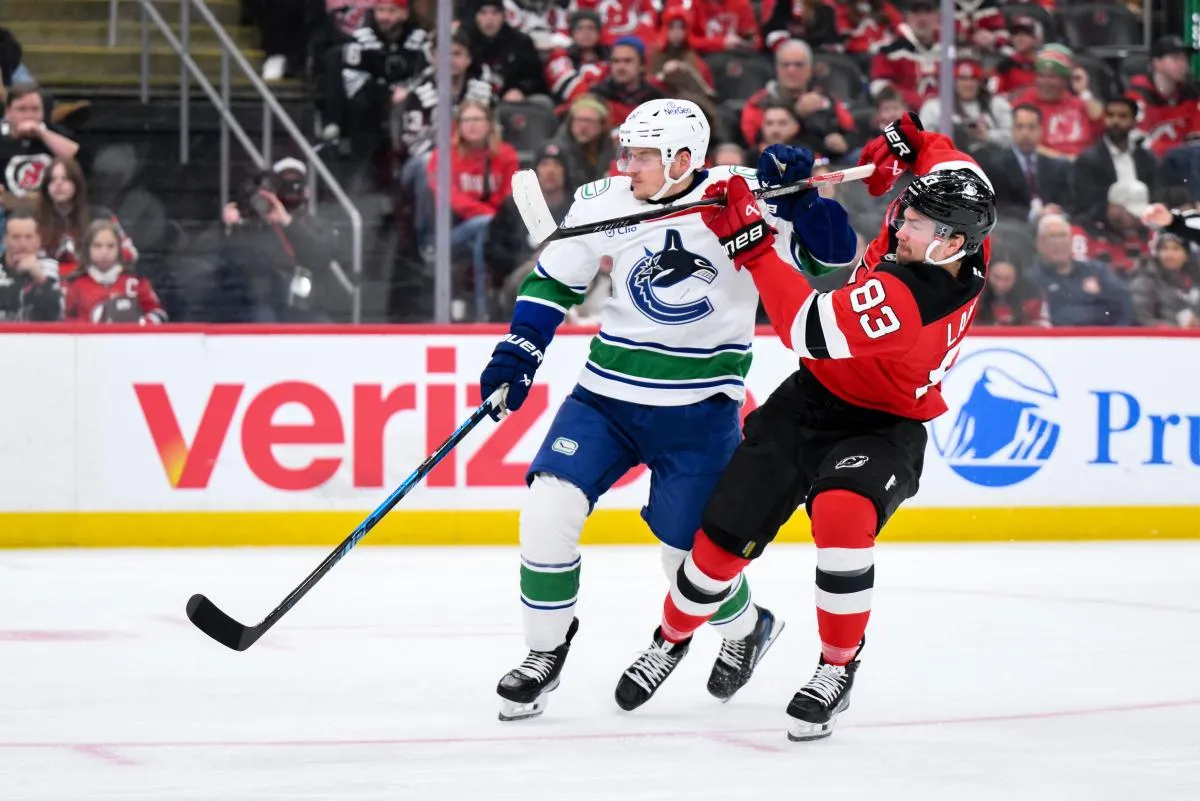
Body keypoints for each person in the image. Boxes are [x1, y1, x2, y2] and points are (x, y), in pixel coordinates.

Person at [614, 112, 996, 740]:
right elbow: (943, 152)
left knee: (844, 519)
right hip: (809, 404)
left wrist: (752, 243)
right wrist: (901, 144)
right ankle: (671, 639)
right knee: (718, 542)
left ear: (952, 245)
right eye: (905, 214)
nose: (899, 227)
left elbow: (807, 332)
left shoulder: (913, 298)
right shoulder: (960, 207)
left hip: (882, 426)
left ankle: (837, 668)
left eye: (916, 224)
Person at [478, 98, 858, 722]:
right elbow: (555, 281)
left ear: (684, 159)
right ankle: (543, 655)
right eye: (626, 152)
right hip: (605, 397)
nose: (628, 165)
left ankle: (747, 627)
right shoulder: (603, 199)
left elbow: (833, 264)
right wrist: (520, 349)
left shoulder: (746, 197)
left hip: (701, 410)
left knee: (687, 560)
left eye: (643, 156)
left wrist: (808, 205)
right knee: (548, 510)